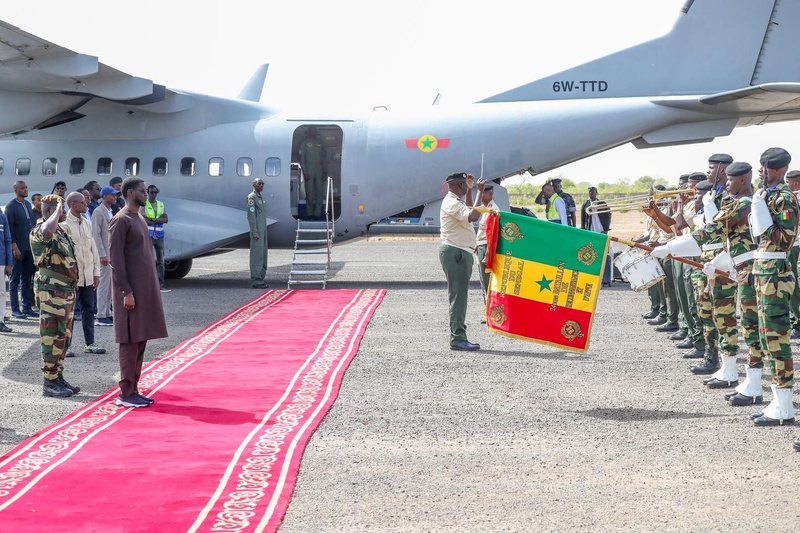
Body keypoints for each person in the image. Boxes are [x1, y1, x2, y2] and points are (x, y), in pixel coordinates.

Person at [747, 147, 798, 427]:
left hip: (776, 276)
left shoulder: (784, 198)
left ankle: (785, 407)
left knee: (778, 341)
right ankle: (779, 401)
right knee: (768, 339)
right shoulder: (768, 195)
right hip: (764, 272)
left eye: (764, 169)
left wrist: (762, 214)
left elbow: (784, 239)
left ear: (776, 170)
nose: (760, 173)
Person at [109, 177, 168, 408]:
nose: (147, 194)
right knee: (129, 341)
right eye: (143, 191)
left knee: (140, 339)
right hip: (130, 293)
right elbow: (115, 261)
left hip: (144, 291)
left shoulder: (139, 218)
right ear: (130, 192)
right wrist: (126, 291)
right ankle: (125, 393)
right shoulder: (121, 220)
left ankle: (134, 388)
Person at [30, 194, 80, 398]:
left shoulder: (60, 230)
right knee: (51, 336)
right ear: (51, 211)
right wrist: (56, 210)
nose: (66, 212)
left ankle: (57, 375)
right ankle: (49, 383)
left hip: (65, 292)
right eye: (62, 209)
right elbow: (46, 231)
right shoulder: (40, 230)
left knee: (63, 336)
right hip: (51, 293)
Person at [440, 171, 483, 351]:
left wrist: (472, 191)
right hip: (455, 252)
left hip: (459, 252)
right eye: (465, 184)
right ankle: (457, 337)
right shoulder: (450, 202)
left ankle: (458, 336)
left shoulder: (455, 201)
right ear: (458, 185)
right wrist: (480, 192)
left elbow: (468, 209)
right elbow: (474, 216)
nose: (467, 186)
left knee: (460, 296)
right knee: (458, 297)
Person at [60, 191, 105, 355]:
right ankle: (67, 345)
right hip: (73, 277)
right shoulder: (64, 226)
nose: (86, 204)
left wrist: (96, 273)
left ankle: (90, 343)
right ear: (73, 204)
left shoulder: (86, 222)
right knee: (69, 312)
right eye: (82, 202)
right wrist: (69, 275)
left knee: (89, 309)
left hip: (87, 276)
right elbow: (64, 254)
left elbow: (93, 250)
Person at [5, 181, 37, 319]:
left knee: (27, 278)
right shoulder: (11, 207)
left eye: (26, 187)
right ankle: (15, 309)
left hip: (29, 247)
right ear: (16, 189)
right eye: (22, 188)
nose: (25, 189)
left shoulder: (28, 204)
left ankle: (27, 307)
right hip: (18, 248)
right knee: (14, 280)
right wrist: (14, 247)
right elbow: (9, 230)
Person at [92, 186, 116, 326]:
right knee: (103, 285)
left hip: (111, 253)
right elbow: (96, 235)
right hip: (104, 255)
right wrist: (102, 254)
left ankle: (107, 312)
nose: (114, 198)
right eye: (112, 195)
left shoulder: (109, 211)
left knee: (109, 285)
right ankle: (101, 314)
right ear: (105, 196)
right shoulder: (98, 212)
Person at [580, 186, 612, 286]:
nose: (591, 193)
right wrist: (583, 230)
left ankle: (605, 279)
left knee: (604, 254)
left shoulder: (602, 203)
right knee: (590, 253)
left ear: (596, 193)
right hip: (590, 232)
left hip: (600, 231)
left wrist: (606, 230)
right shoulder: (586, 204)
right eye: (589, 192)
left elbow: (607, 216)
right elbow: (583, 219)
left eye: (593, 192)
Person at [783, 170, 800, 339]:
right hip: (791, 243)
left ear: (795, 183)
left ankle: (798, 321)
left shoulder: (793, 197)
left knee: (791, 282)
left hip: (792, 244)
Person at [475, 182, 499, 299]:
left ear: (490, 194)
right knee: (483, 281)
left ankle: (490, 311)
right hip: (481, 245)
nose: (480, 195)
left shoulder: (493, 210)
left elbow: (493, 234)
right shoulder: (486, 209)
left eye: (483, 193)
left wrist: (488, 252)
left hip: (486, 247)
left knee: (487, 282)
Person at [144, 184, 169, 293]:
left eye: (155, 192)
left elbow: (166, 219)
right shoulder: (144, 204)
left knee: (161, 261)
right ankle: (149, 284)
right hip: (149, 235)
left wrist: (152, 219)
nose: (154, 194)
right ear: (147, 192)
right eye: (151, 192)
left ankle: (161, 284)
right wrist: (157, 219)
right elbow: (144, 219)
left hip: (159, 235)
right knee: (148, 261)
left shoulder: (161, 204)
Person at [299, 126, 327, 219]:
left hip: (319, 168)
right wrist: (305, 172)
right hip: (309, 168)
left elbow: (324, 158)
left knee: (319, 192)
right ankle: (310, 213)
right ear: (309, 132)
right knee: (310, 193)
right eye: (312, 130)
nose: (314, 132)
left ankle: (317, 214)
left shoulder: (320, 143)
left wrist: (325, 171)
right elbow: (302, 159)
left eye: (315, 130)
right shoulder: (304, 143)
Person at [247, 177, 269, 289]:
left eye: (262, 183)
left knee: (263, 255)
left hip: (263, 231)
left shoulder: (260, 197)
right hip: (257, 232)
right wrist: (255, 231)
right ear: (254, 185)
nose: (261, 185)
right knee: (257, 255)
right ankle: (255, 280)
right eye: (259, 183)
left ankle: (260, 278)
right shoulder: (252, 198)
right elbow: (251, 216)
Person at [0, 207, 12, 333]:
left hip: (1, 260)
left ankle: (1, 320)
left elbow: (8, 240)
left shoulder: (2, 216)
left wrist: (9, 262)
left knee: (2, 292)